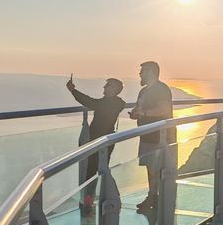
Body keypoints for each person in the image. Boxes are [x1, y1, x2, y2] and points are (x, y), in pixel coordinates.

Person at [66, 75, 126, 212]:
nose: (104, 88)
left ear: (115, 89)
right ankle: (91, 197)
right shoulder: (113, 103)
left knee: (97, 168)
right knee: (97, 168)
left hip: (102, 140)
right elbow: (93, 103)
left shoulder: (112, 103)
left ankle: (95, 198)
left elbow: (91, 102)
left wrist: (73, 91)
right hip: (102, 140)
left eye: (107, 86)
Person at [129, 61, 173, 211]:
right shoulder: (143, 91)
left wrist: (145, 113)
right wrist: (136, 113)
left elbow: (164, 108)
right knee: (150, 168)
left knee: (158, 168)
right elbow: (139, 108)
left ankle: (162, 199)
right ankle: (153, 196)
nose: (139, 74)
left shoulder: (161, 89)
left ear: (151, 72)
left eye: (142, 71)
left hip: (159, 137)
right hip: (146, 135)